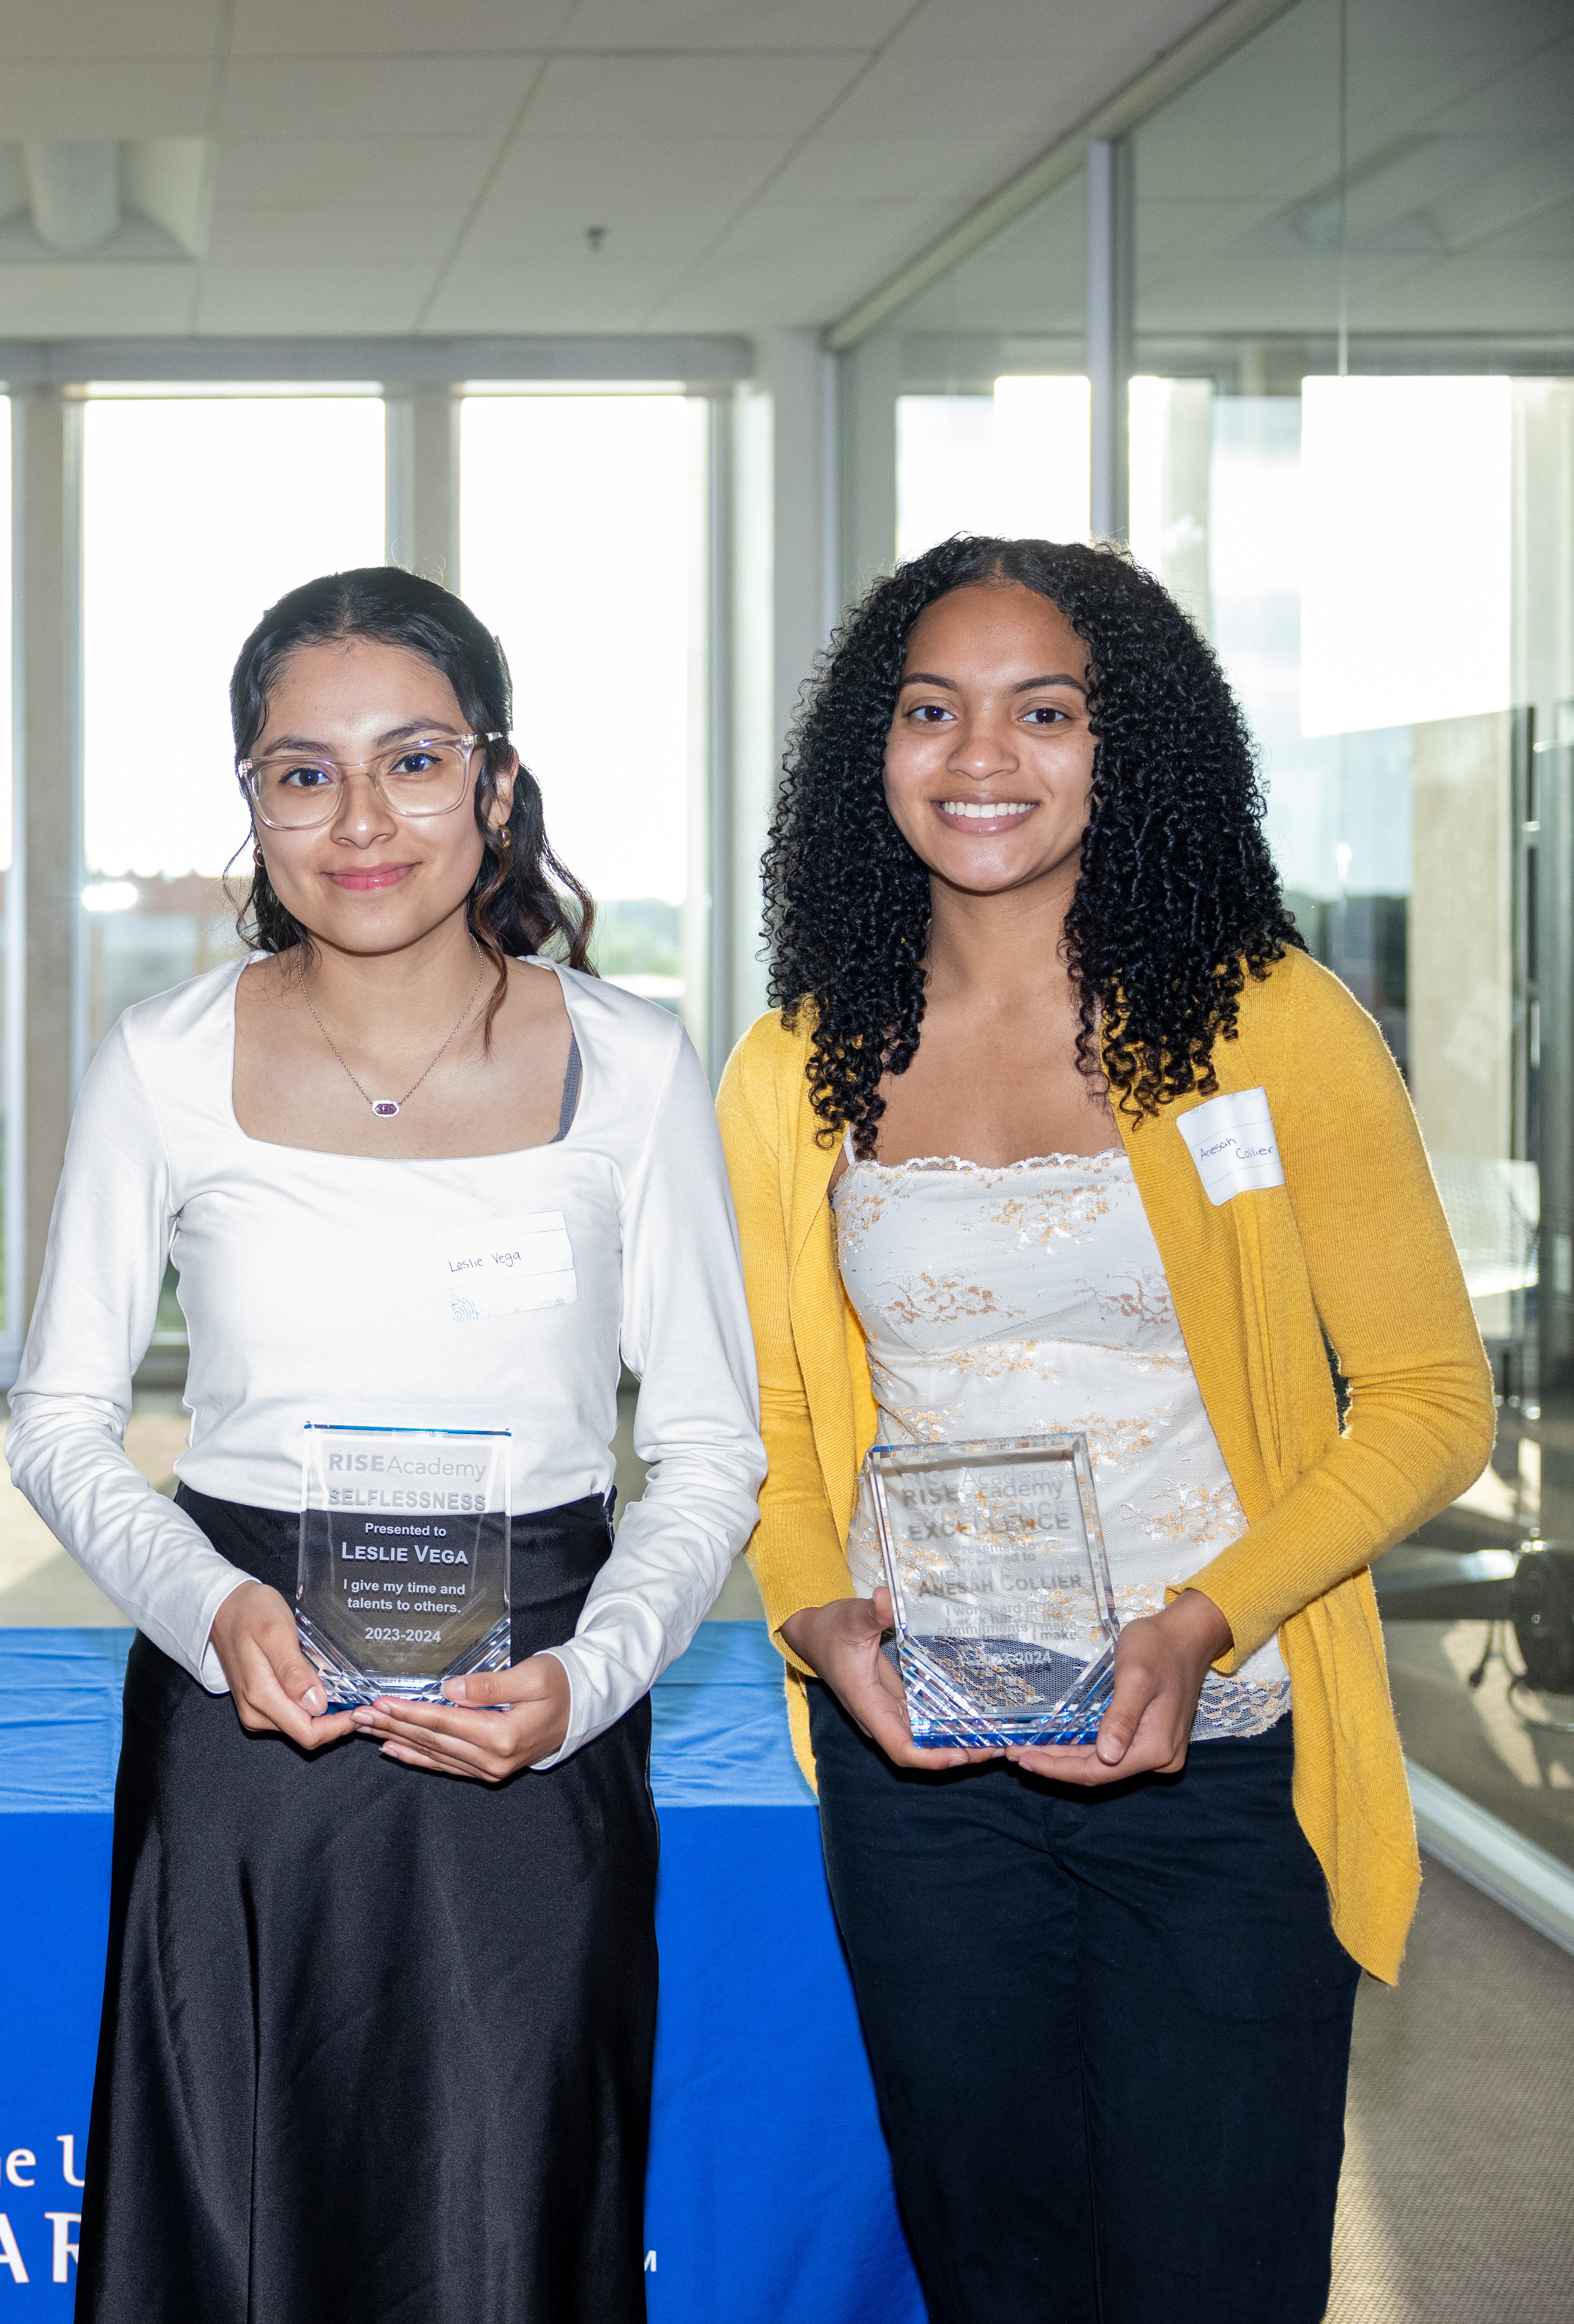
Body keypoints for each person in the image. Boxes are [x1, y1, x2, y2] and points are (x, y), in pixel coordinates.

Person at [717, 534, 1493, 2323]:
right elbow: (767, 1405)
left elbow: (1430, 1397)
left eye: (1041, 710)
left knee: (1212, 2270)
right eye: (930, 709)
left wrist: (1205, 1616)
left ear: (1126, 743)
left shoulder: (1264, 1025)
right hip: (929, 1766)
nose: (978, 756)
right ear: (870, 750)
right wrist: (813, 1603)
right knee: (995, 2270)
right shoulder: (797, 1058)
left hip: (1217, 1749)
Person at [6, 567, 764, 2322]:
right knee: (232, 2210)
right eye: (300, 771)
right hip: (241, 1708)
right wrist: (210, 1615)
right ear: (251, 805)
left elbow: (711, 1446)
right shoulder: (162, 1062)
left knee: (511, 2204)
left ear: (491, 787)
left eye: (411, 760)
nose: (360, 819)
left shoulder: (634, 1063)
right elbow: (54, 1423)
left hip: (539, 1701)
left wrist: (587, 1683)